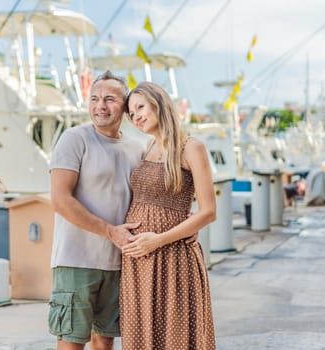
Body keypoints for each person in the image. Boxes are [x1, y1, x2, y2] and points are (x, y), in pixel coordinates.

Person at [48, 70, 144, 350]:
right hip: (76, 260)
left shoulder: (136, 148)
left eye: (110, 99)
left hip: (118, 263)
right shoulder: (74, 139)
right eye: (94, 98)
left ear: (125, 106)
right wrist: (110, 232)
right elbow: (60, 200)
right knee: (72, 341)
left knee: (104, 340)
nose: (100, 105)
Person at [120, 81, 217, 350]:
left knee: (174, 333)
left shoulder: (190, 148)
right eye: (131, 112)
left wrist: (158, 239)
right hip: (138, 260)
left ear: (158, 104)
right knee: (141, 334)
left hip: (173, 257)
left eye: (140, 107)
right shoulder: (147, 148)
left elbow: (209, 211)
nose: (136, 115)